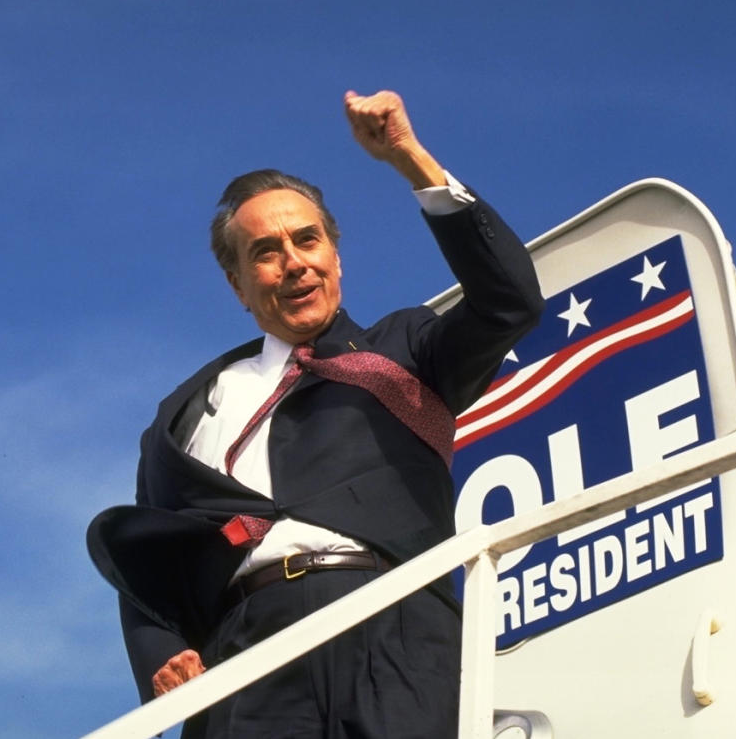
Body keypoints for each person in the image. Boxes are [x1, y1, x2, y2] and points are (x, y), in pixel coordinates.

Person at [87, 90, 543, 738]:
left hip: (396, 634)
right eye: (266, 251)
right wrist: (164, 656)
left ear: (336, 254)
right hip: (246, 662)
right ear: (237, 284)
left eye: (307, 239)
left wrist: (410, 160)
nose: (293, 262)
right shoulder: (185, 417)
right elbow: (150, 569)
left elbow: (510, 300)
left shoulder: (407, 349)